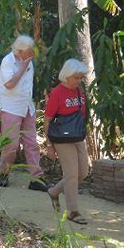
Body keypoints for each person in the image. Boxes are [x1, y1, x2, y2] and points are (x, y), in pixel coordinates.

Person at [0, 35, 49, 191]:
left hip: (26, 106)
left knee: (32, 142)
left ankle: (36, 178)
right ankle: (4, 173)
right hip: (10, 107)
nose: (32, 53)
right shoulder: (7, 61)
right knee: (11, 144)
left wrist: (25, 65)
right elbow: (10, 84)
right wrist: (21, 67)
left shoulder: (29, 62)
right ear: (19, 51)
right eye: (29, 51)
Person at [43, 59, 89, 224]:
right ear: (67, 75)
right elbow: (47, 120)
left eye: (80, 78)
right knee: (71, 175)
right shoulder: (57, 92)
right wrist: (49, 145)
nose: (78, 80)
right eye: (76, 77)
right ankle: (73, 211)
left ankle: (54, 191)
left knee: (82, 173)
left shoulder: (78, 91)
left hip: (77, 136)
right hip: (62, 139)